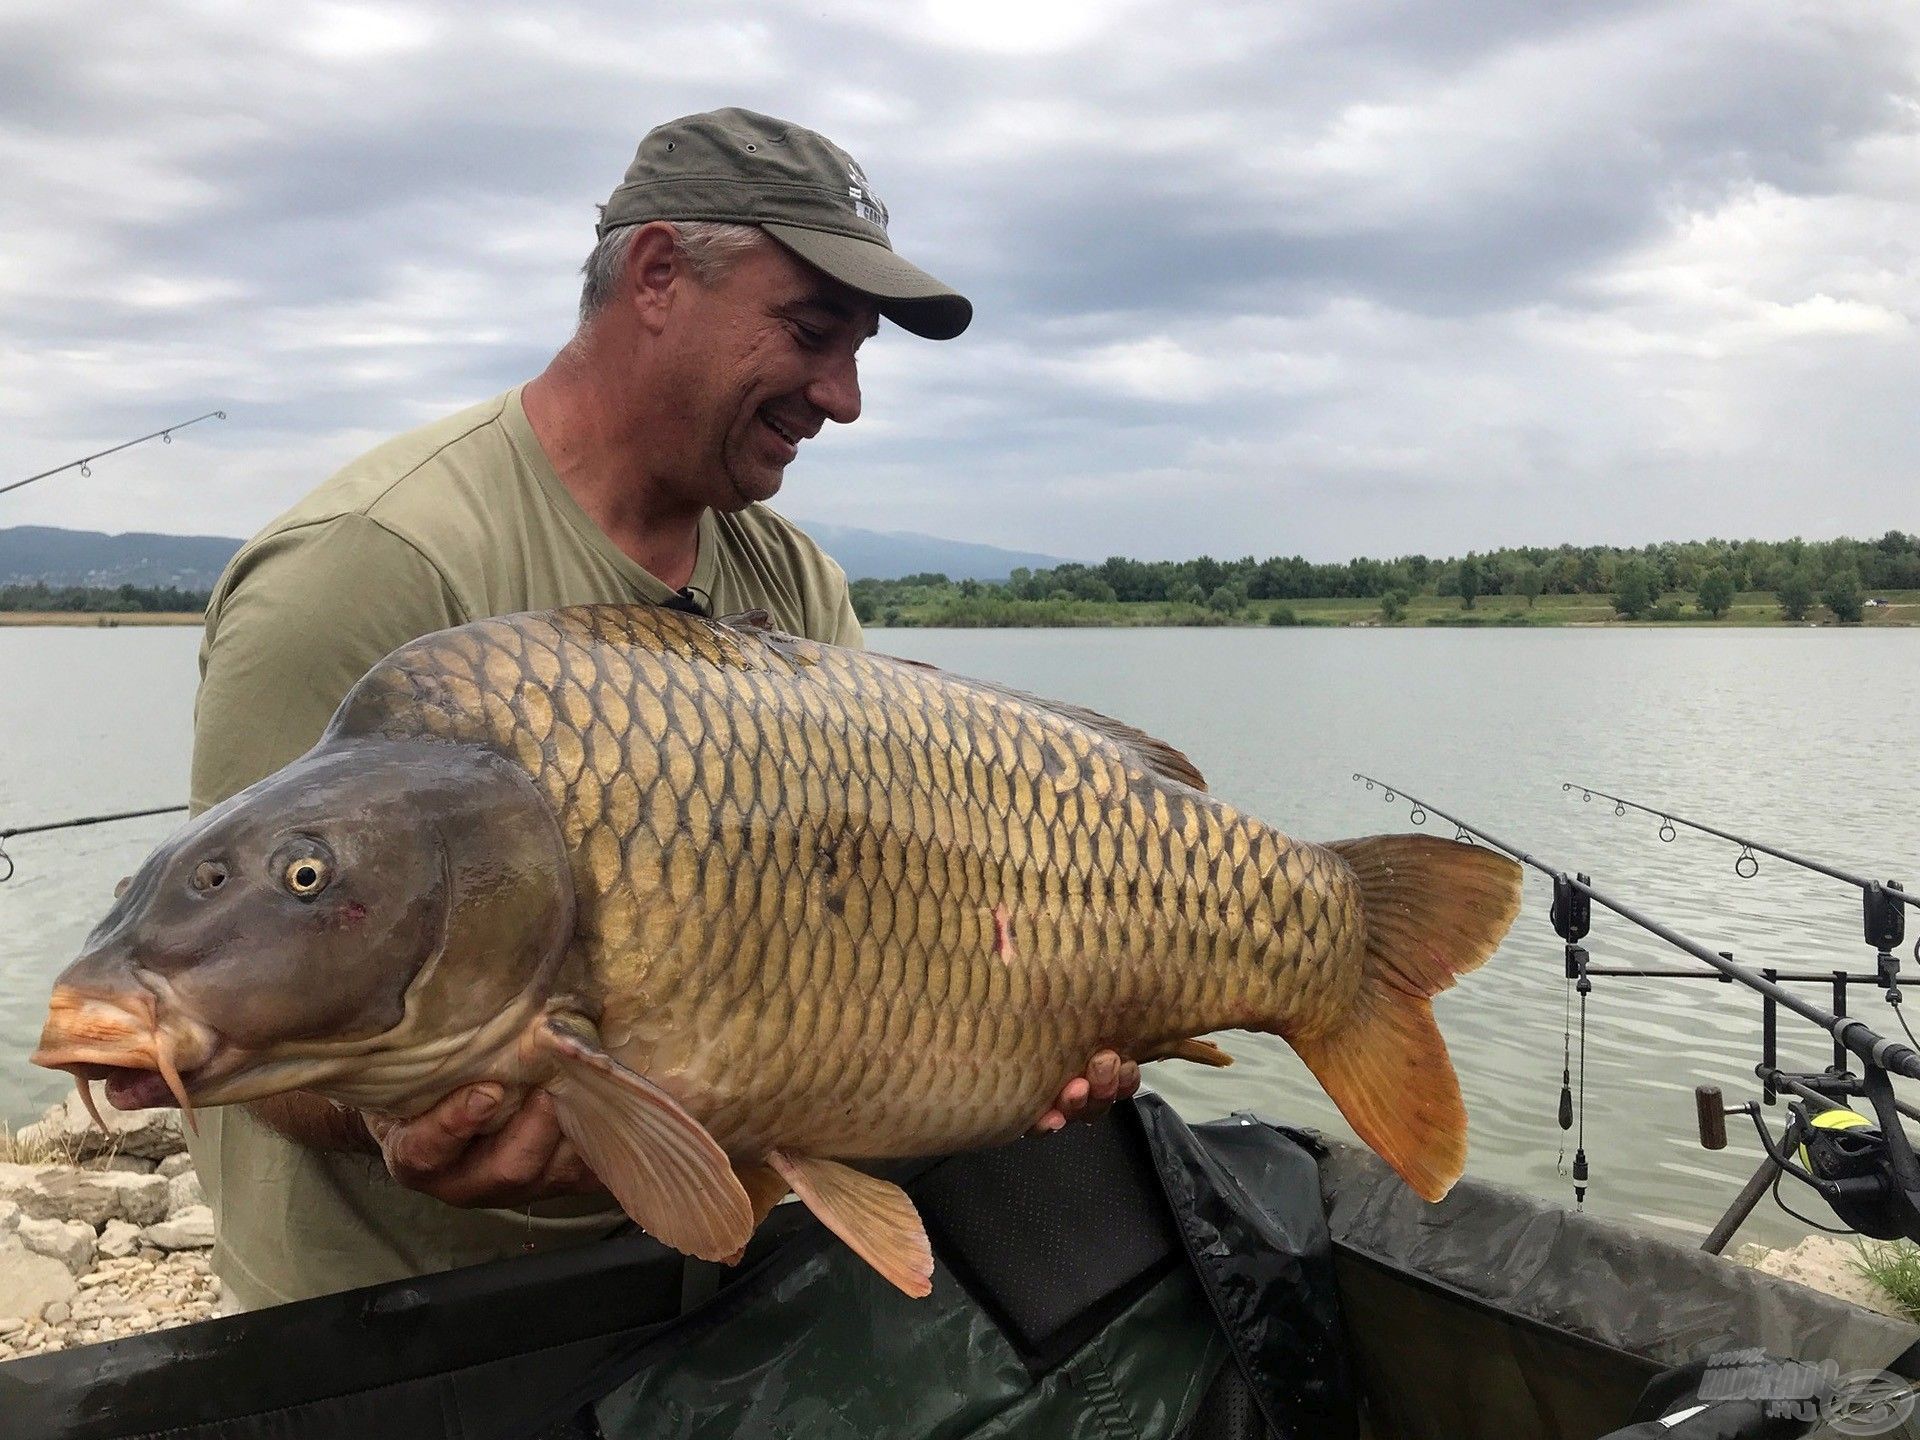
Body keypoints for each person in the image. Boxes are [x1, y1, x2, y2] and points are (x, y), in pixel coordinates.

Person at [186, 107, 1138, 1311]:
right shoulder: (369, 566)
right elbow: (223, 988)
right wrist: (404, 1110)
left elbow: (868, 931)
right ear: (655, 277)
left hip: (700, 1296)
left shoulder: (790, 582)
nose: (843, 399)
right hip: (392, 1322)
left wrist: (1029, 1025)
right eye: (810, 333)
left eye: (860, 353)